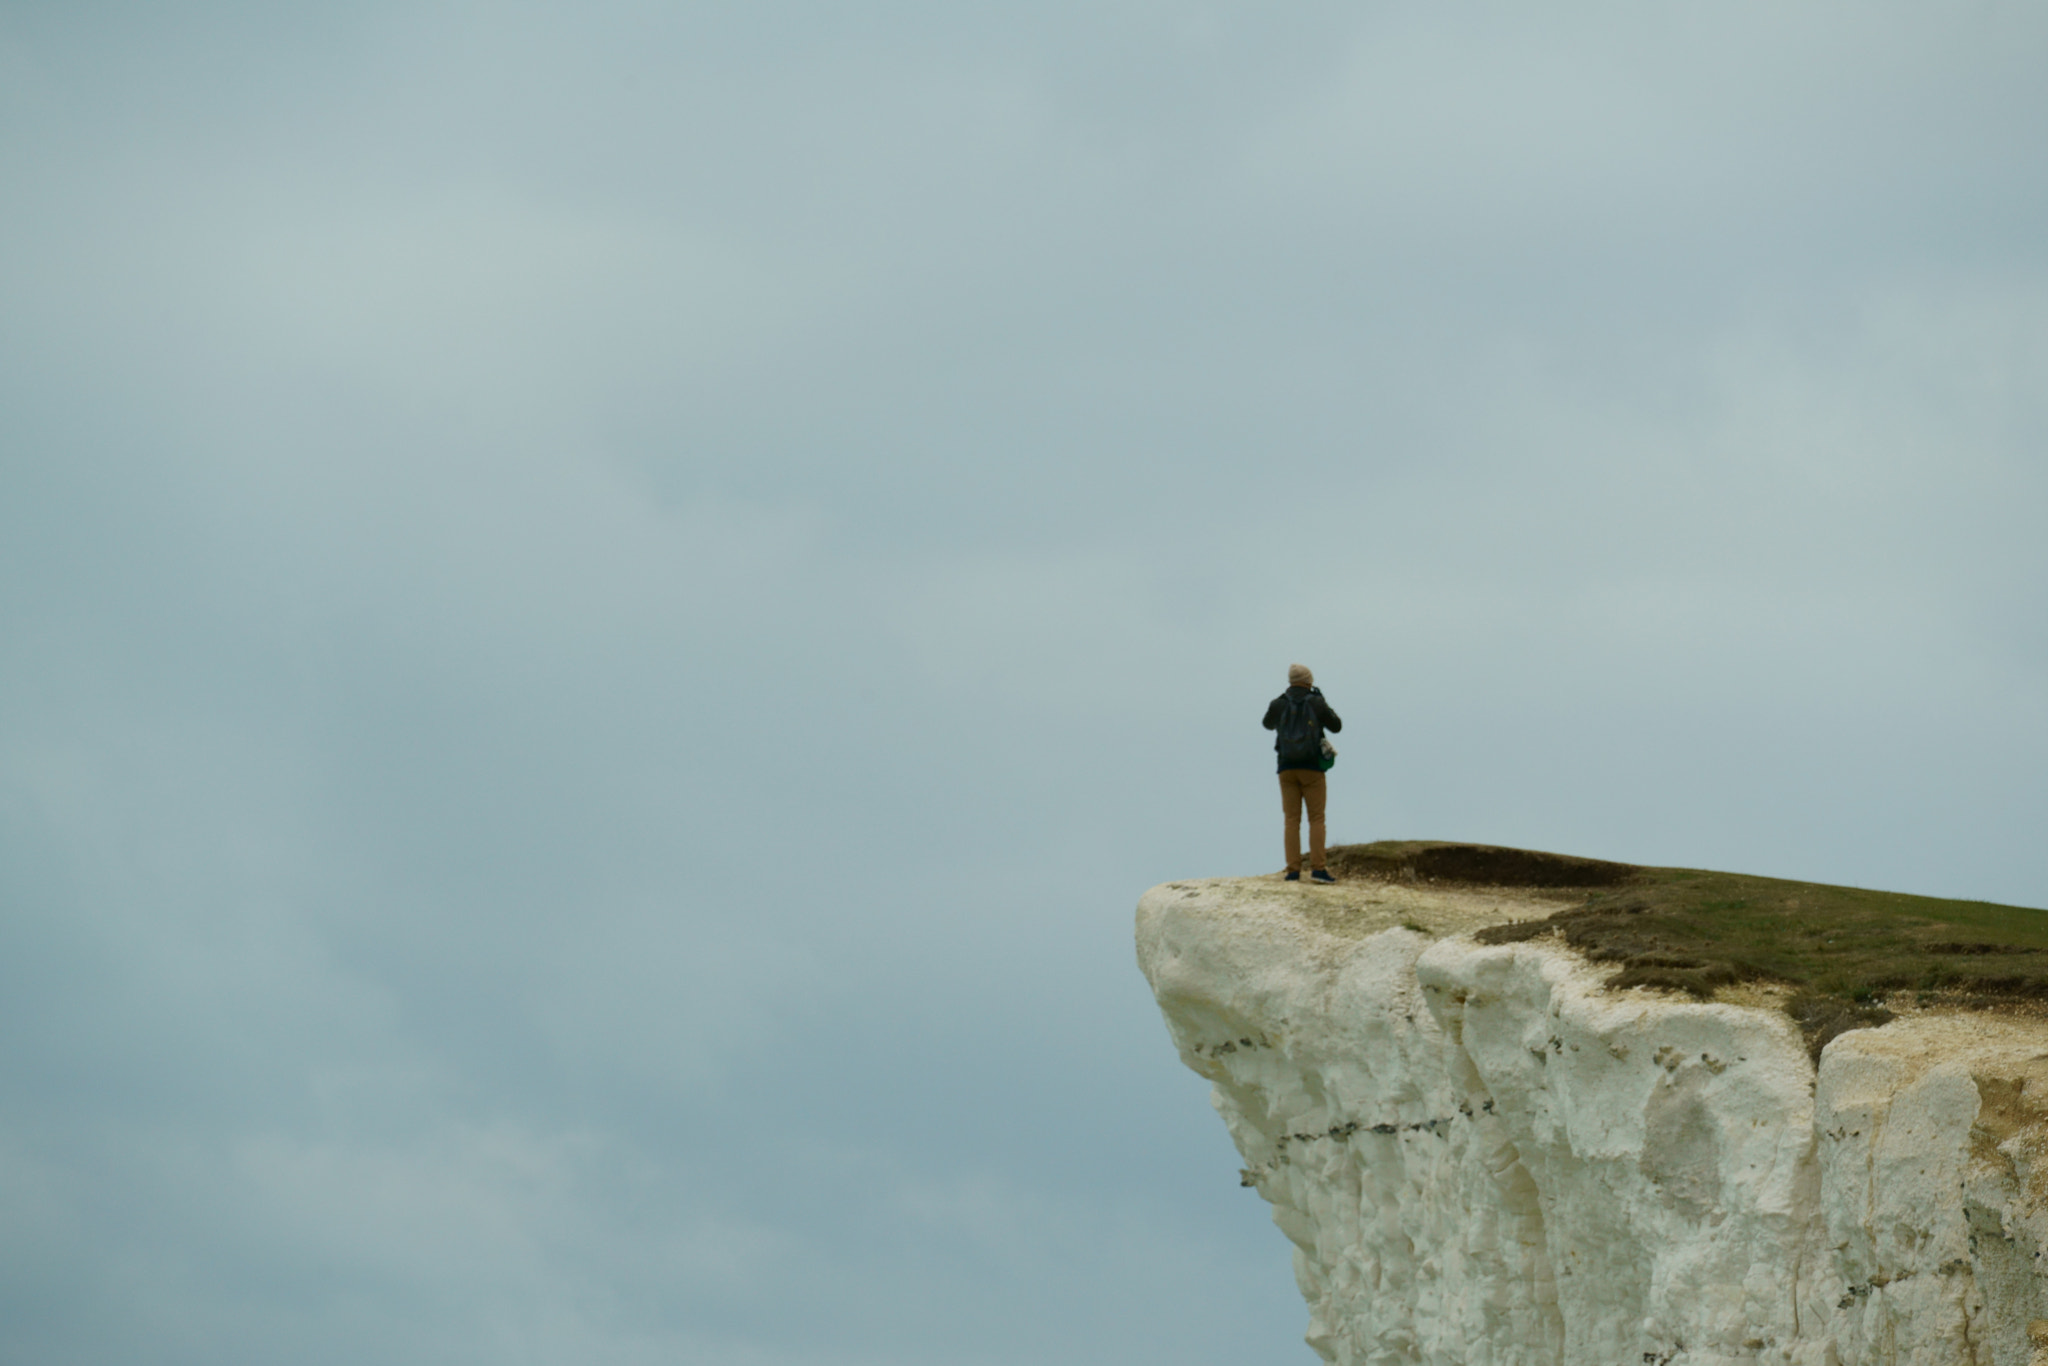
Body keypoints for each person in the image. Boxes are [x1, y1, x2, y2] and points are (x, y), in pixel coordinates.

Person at [1262, 663, 1342, 883]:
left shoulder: (1278, 703)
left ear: (1290, 681)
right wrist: (1321, 700)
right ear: (1309, 681)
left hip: (1286, 768)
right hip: (1312, 768)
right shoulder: (1315, 702)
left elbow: (1266, 723)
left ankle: (1293, 871)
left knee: (1291, 820)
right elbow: (1336, 725)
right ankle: (1318, 870)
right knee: (1316, 818)